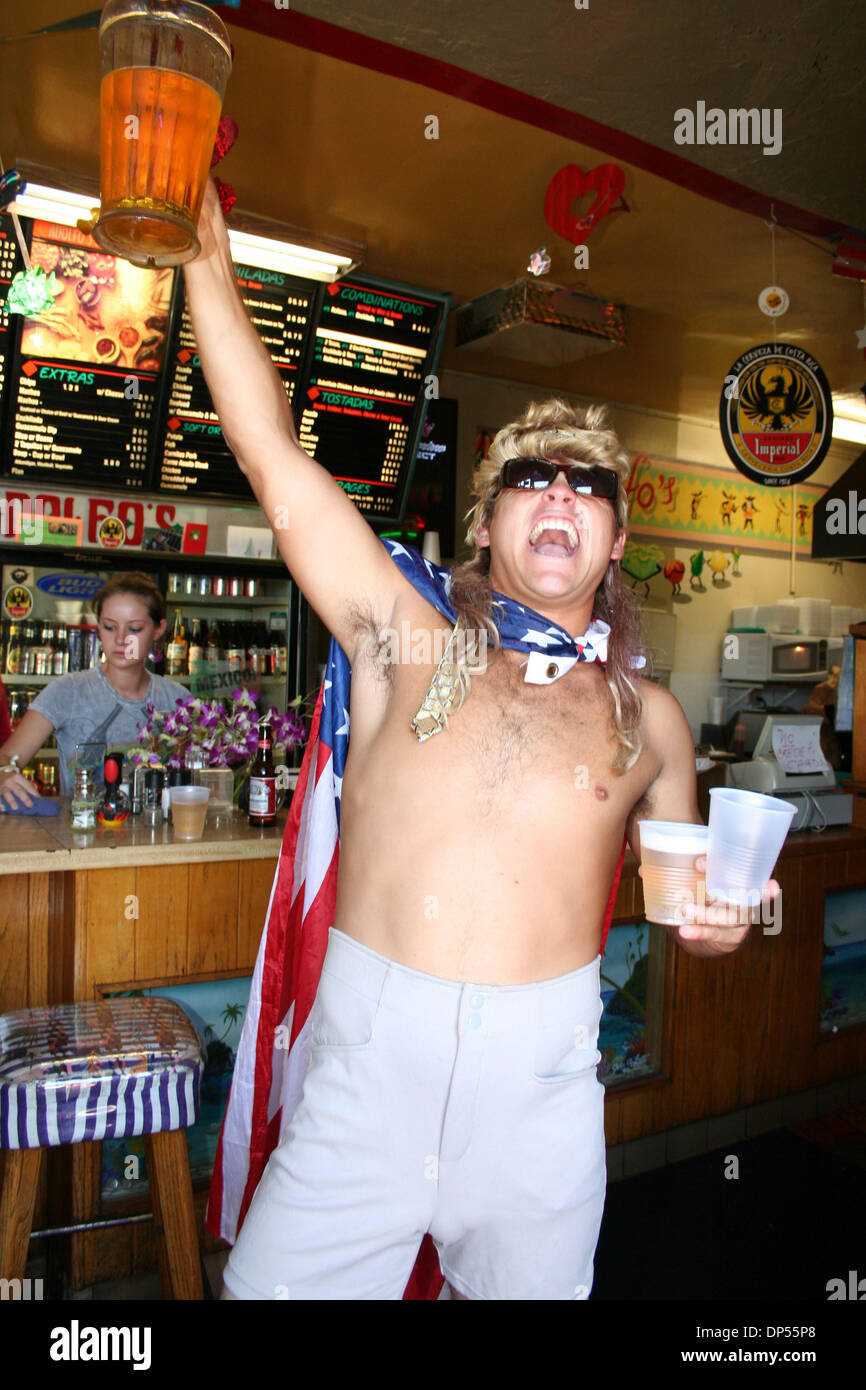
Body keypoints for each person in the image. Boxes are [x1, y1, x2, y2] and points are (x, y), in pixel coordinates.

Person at [184, 179, 779, 1301]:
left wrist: (719, 927)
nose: (558, 494)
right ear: (486, 519)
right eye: (527, 479)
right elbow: (269, 453)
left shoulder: (643, 718)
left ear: (612, 539)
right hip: (365, 1087)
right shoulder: (409, 638)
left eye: (587, 485)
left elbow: (683, 906)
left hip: (540, 1107)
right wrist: (202, 250)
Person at [0, 572, 187, 807]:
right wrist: (5, 773)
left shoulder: (178, 699)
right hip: (84, 836)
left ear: (158, 630)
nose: (120, 640)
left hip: (160, 839)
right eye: (110, 627)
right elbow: (7, 756)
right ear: (98, 627)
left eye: (134, 629)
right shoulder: (68, 691)